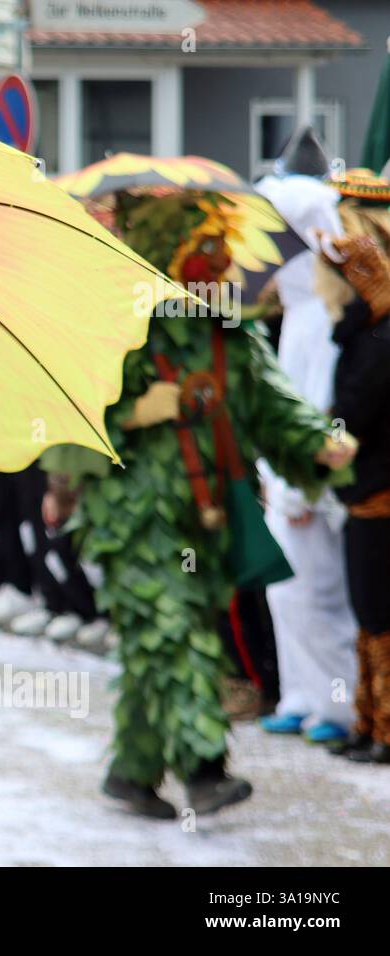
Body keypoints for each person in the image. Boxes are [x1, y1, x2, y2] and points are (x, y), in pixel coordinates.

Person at [43, 193, 355, 819]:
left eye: (220, 247)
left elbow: (267, 396)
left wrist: (316, 440)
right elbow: (66, 414)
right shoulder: (113, 327)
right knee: (171, 631)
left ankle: (131, 773)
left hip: (208, 517)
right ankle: (204, 766)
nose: (216, 261)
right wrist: (130, 412)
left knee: (160, 642)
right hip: (135, 522)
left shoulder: (227, 328)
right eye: (200, 246)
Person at [253, 139, 359, 744]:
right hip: (288, 478)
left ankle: (337, 704)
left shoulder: (324, 314)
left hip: (315, 484)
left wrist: (301, 485)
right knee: (288, 594)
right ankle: (301, 693)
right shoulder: (298, 311)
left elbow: (320, 410)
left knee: (321, 593)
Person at [320, 169, 390, 764]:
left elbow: (353, 416)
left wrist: (320, 438)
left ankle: (384, 726)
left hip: (380, 490)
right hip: (366, 489)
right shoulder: (365, 330)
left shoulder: (380, 336)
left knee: (380, 609)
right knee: (368, 607)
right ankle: (370, 722)